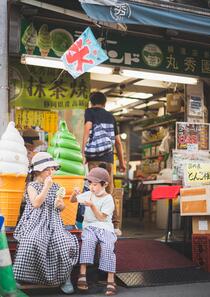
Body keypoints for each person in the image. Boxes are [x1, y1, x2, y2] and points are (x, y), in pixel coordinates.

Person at [13, 152, 79, 294]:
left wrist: (60, 204)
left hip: (54, 222)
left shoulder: (56, 187)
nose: (51, 172)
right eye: (47, 169)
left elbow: (61, 207)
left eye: (52, 169)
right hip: (35, 222)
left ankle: (64, 278)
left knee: (64, 242)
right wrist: (46, 187)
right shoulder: (32, 186)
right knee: (32, 241)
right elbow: (36, 203)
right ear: (38, 171)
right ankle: (19, 277)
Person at [82, 91, 126, 233]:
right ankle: (115, 226)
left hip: (94, 158)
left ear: (91, 102)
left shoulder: (90, 112)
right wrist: (122, 162)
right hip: (108, 159)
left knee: (94, 189)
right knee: (109, 191)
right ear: (105, 103)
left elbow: (87, 128)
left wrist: (83, 152)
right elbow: (118, 142)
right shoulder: (111, 117)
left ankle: (96, 222)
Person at [71, 167, 117, 296]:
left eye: (95, 184)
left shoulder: (108, 199)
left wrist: (92, 206)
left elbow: (102, 217)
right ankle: (82, 274)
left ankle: (110, 279)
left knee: (108, 246)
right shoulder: (88, 194)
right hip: (90, 227)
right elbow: (73, 201)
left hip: (105, 227)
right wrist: (75, 193)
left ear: (105, 184)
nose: (92, 187)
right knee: (88, 242)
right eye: (90, 184)